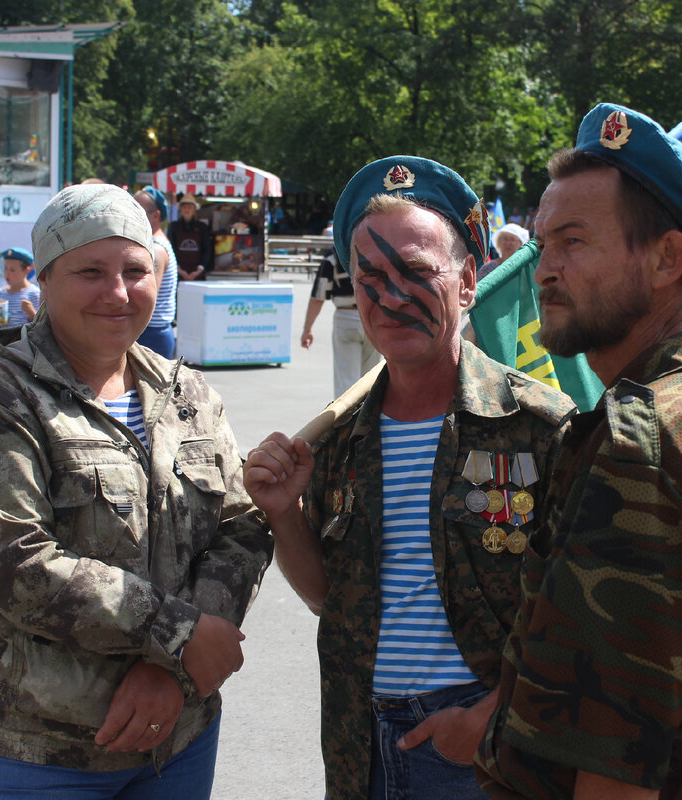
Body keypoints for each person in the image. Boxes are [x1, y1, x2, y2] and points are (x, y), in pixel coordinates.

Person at [476, 103, 682, 800]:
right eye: (540, 245)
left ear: (666, 258)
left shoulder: (644, 443)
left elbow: (617, 765)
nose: (544, 271)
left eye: (573, 242)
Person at [0, 184, 273, 799]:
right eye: (90, 271)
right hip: (48, 751)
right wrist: (180, 637)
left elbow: (240, 526)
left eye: (135, 271)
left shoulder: (185, 394)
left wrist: (171, 673)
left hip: (182, 734)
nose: (118, 292)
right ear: (45, 279)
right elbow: (18, 567)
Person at [243, 156, 575, 800]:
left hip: (476, 744)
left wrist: (489, 714)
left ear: (468, 281)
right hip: (357, 737)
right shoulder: (338, 440)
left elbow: (575, 614)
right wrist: (284, 513)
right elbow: (327, 598)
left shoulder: (539, 426)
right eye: (370, 276)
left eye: (417, 272)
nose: (390, 297)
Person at [299, 245, 380, 397]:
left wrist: (307, 329)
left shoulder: (333, 256)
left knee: (346, 381)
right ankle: (370, 418)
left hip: (346, 315)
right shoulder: (375, 249)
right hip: (374, 315)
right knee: (372, 380)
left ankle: (347, 419)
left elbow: (319, 296)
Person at [133, 187, 178, 357]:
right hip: (151, 331)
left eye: (139, 211)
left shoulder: (156, 248)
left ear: (155, 215)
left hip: (152, 333)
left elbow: (149, 295)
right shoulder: (153, 244)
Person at [0, 247, 40, 330]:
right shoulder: (1, 293)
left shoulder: (34, 293)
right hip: (4, 341)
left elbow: (40, 326)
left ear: (27, 271)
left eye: (12, 270)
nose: (7, 273)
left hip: (23, 341)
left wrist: (31, 312)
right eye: (5, 268)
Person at [167, 194, 213, 282]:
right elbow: (170, 249)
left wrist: (199, 270)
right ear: (180, 209)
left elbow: (207, 250)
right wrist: (179, 270)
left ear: (194, 210)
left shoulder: (202, 227)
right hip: (177, 274)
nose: (187, 209)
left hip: (198, 275)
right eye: (184, 207)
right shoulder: (173, 227)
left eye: (189, 207)